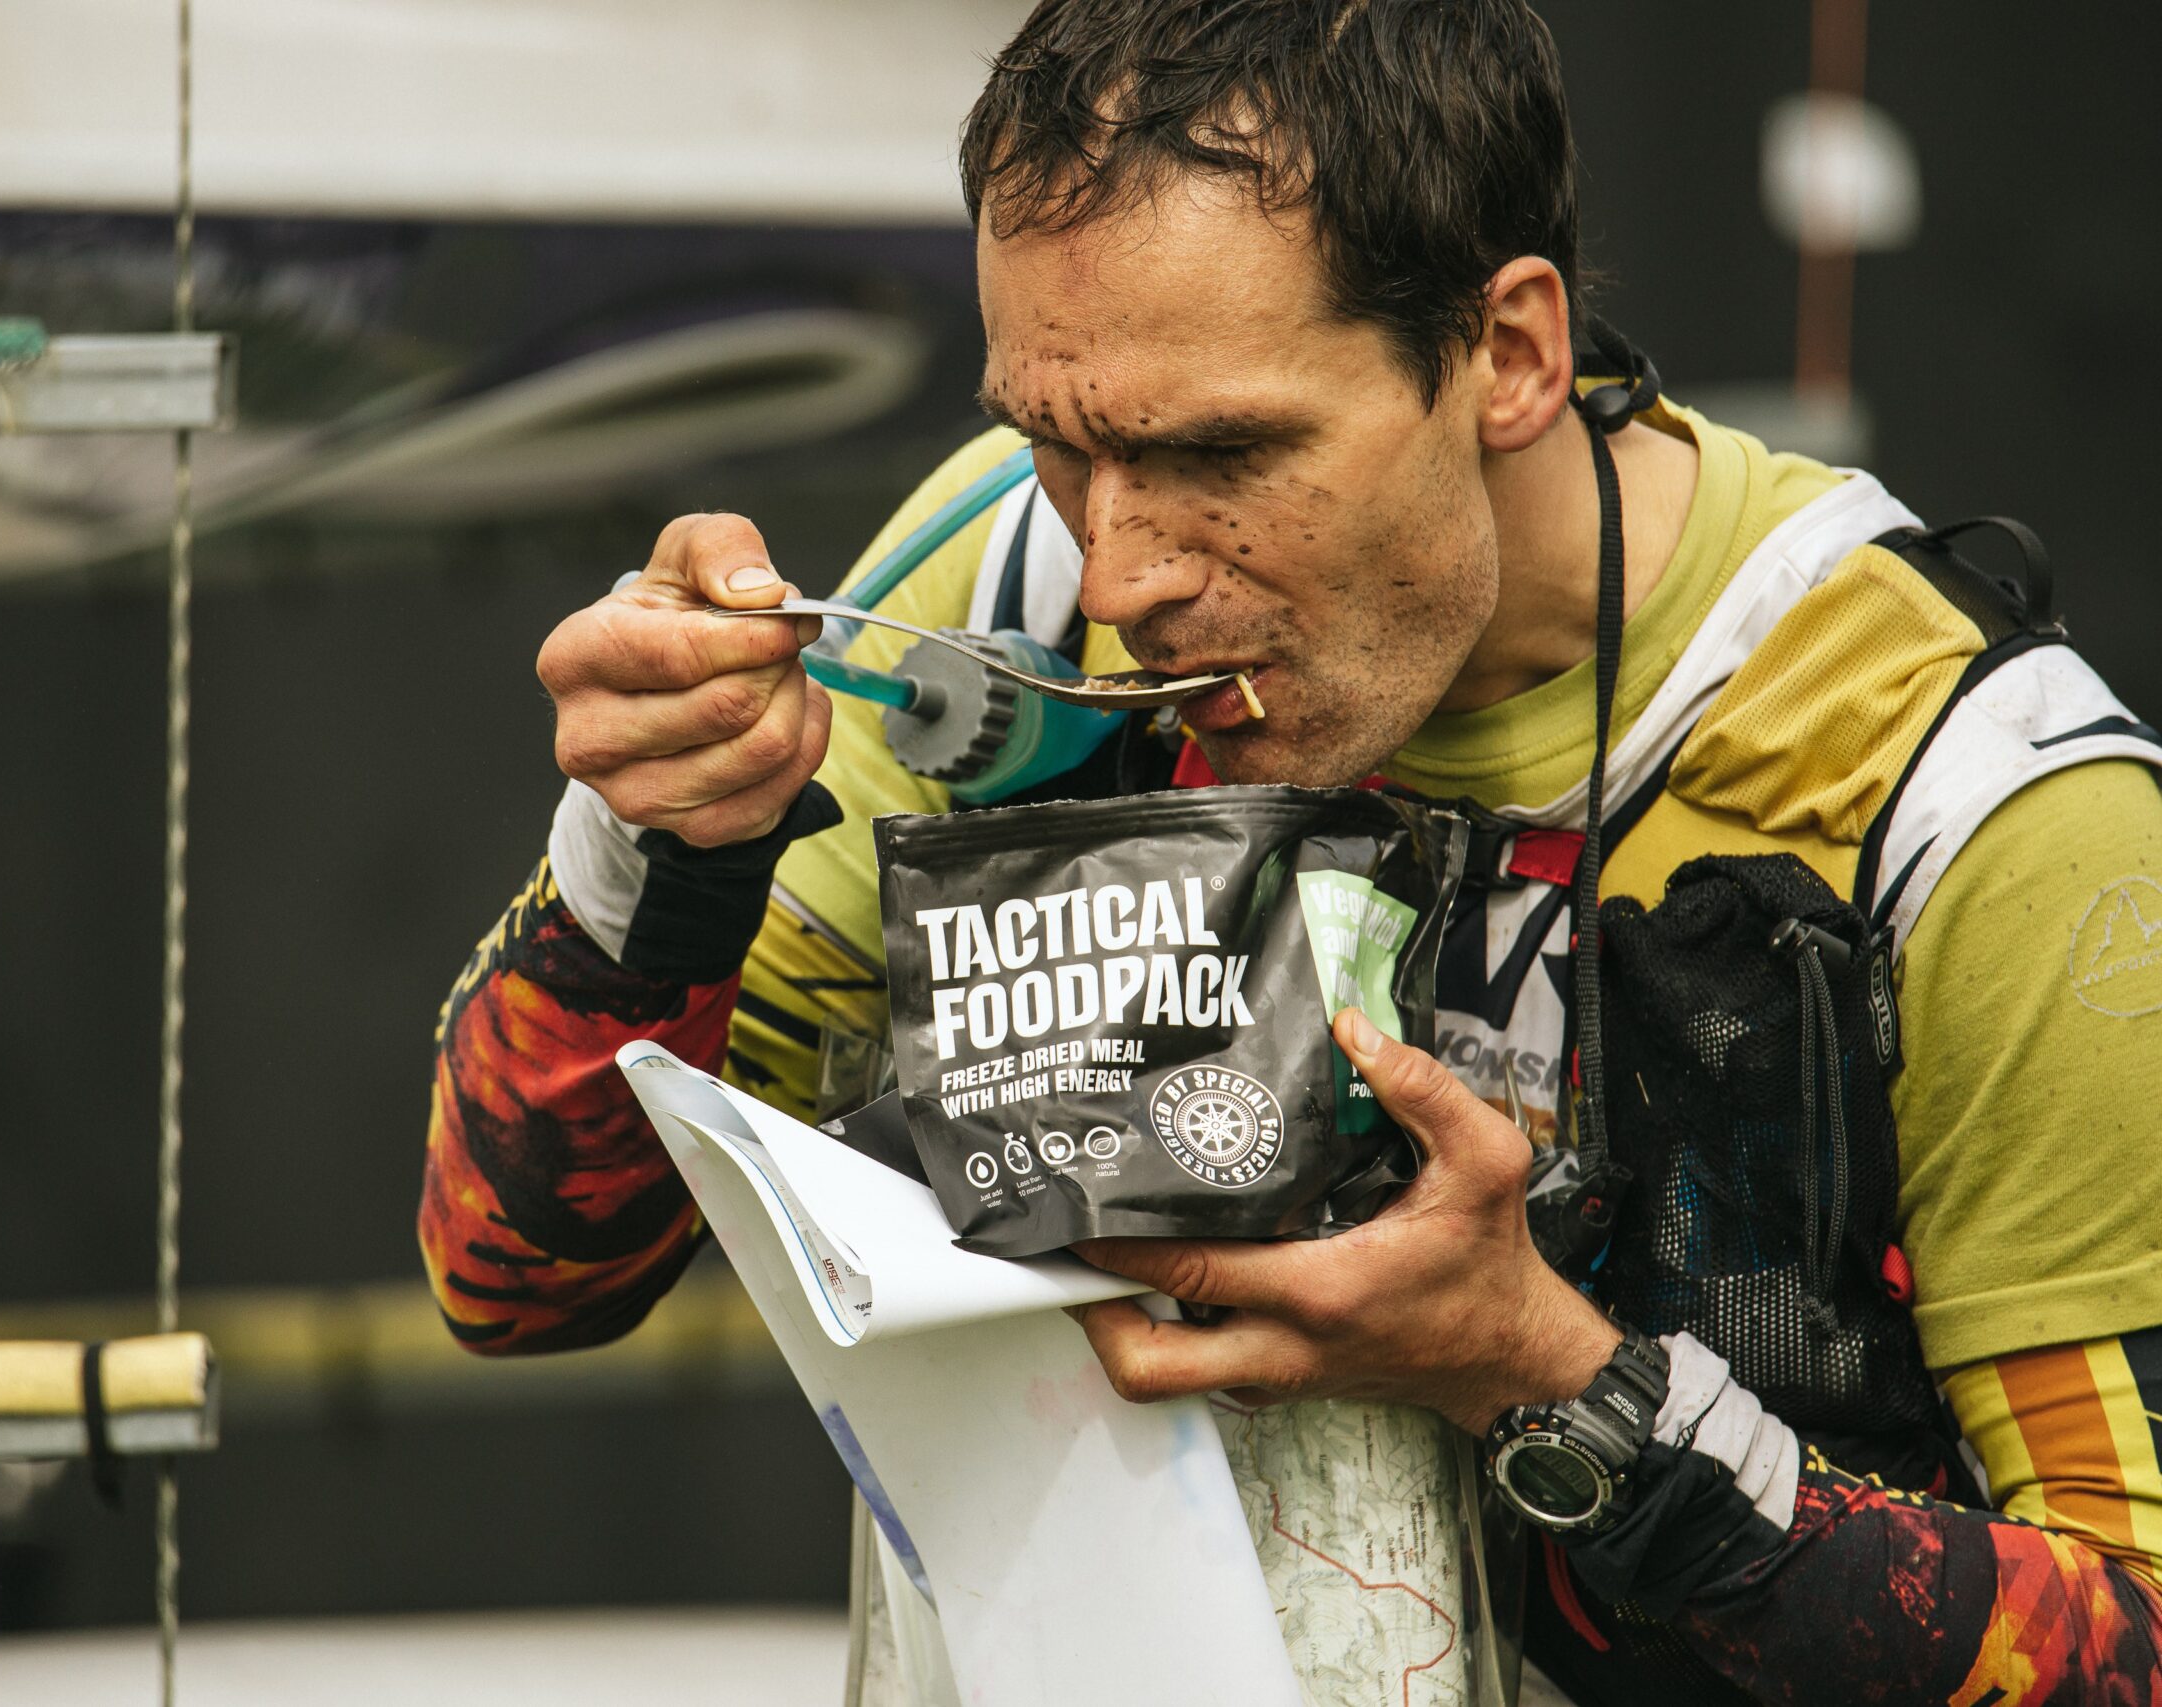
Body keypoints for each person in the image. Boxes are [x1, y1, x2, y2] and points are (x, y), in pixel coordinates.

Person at [420, 1, 2162, 1699]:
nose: (1123, 576)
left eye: (1222, 453)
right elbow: (519, 1281)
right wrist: (654, 853)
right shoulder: (1001, 600)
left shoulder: (1975, 812)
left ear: (1511, 356)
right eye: (1055, 444)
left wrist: (1551, 1378)